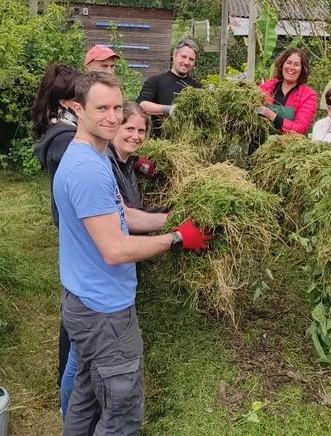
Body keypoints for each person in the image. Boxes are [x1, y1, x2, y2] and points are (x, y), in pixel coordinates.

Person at [55, 71, 213, 436]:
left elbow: (123, 216)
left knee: (87, 396)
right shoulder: (89, 170)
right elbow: (115, 249)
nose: (112, 117)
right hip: (104, 312)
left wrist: (171, 219)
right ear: (78, 109)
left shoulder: (91, 156)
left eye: (116, 108)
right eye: (102, 109)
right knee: (122, 413)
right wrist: (177, 238)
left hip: (84, 300)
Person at [31, 63, 81, 414]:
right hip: (76, 227)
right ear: (65, 102)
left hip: (71, 225)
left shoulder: (62, 129)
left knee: (73, 300)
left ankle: (67, 377)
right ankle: (68, 382)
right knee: (75, 307)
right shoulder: (64, 140)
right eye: (77, 95)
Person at [108, 102, 167, 214]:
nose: (135, 137)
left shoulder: (128, 163)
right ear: (115, 127)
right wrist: (170, 214)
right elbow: (127, 215)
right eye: (130, 129)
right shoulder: (108, 165)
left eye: (141, 131)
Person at [137, 38, 202, 137]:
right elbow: (141, 105)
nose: (186, 62)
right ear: (174, 55)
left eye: (191, 59)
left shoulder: (197, 88)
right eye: (183, 57)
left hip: (189, 142)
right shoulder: (155, 81)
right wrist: (168, 110)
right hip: (160, 142)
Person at [257, 48, 318, 135]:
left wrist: (270, 115)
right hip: (260, 140)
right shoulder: (268, 86)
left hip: (286, 143)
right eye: (288, 63)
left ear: (302, 69)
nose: (291, 68)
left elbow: (299, 129)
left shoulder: (308, 96)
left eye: (296, 65)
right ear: (282, 64)